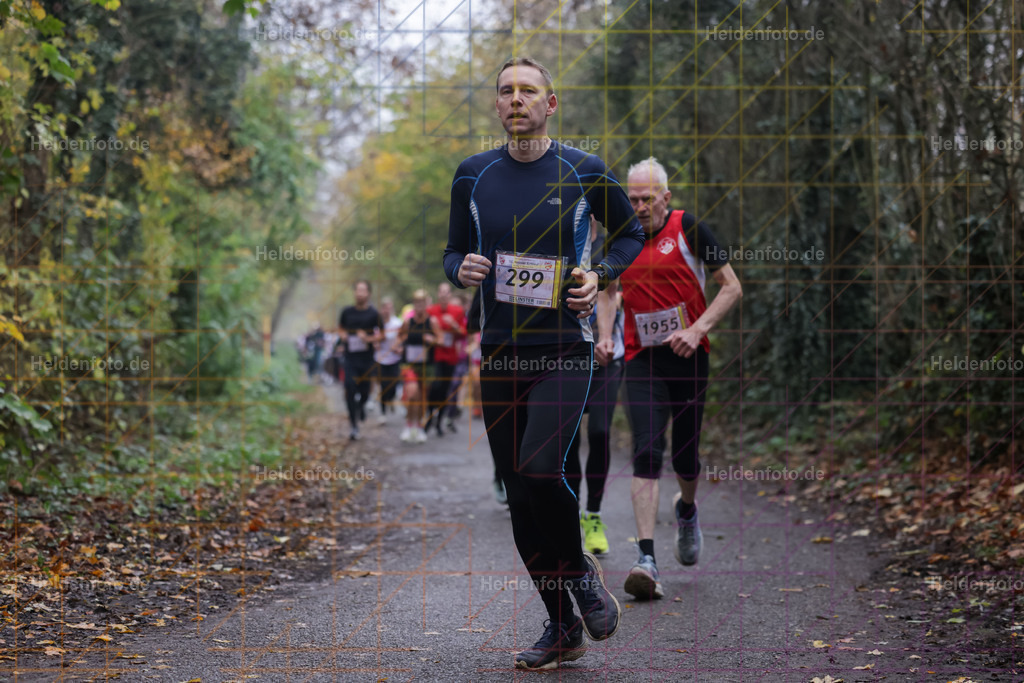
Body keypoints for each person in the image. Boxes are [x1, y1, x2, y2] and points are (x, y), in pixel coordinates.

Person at [443, 57, 645, 671]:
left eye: (528, 91)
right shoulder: (473, 175)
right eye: (506, 91)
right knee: (520, 497)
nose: (516, 100)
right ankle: (561, 627)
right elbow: (453, 250)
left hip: (565, 347)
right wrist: (462, 270)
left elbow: (630, 234)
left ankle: (582, 575)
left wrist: (599, 275)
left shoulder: (583, 170)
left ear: (550, 104)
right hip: (500, 354)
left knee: (538, 470)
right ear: (496, 104)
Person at [615, 157, 742, 601]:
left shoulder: (688, 228)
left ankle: (687, 510)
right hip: (641, 360)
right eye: (631, 199)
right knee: (647, 450)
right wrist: (602, 336)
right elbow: (609, 290)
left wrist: (696, 329)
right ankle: (645, 559)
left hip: (688, 356)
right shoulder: (620, 236)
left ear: (665, 198)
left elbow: (731, 286)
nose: (638, 206)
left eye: (647, 198)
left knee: (686, 458)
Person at [563, 216, 625, 556]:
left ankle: (594, 515)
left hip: (606, 355)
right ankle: (571, 518)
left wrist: (604, 339)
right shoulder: (558, 245)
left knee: (600, 432)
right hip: (568, 355)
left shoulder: (609, 249)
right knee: (569, 438)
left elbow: (609, 292)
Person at [338, 280, 383, 441]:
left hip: (367, 359)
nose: (360, 293)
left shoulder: (374, 314)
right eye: (357, 290)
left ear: (368, 293)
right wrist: (343, 335)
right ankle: (353, 425)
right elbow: (341, 327)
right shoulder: (347, 312)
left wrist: (368, 338)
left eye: (363, 290)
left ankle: (361, 406)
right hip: (350, 358)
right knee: (349, 388)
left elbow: (382, 334)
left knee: (364, 391)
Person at [395, 289, 439, 443]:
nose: (419, 306)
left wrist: (431, 339)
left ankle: (418, 427)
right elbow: (399, 336)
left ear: (426, 304)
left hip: (427, 365)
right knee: (412, 394)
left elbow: (441, 340)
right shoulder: (408, 322)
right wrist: (399, 345)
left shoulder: (432, 322)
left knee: (421, 399)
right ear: (414, 305)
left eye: (422, 303)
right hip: (410, 364)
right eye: (416, 303)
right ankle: (408, 425)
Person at [424, 283, 466, 436]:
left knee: (444, 390)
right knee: (434, 386)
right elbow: (423, 328)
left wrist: (454, 325)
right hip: (434, 356)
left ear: (449, 295)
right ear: (437, 294)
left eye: (446, 292)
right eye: (441, 292)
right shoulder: (431, 311)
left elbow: (463, 333)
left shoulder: (457, 311)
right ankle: (429, 416)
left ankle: (439, 422)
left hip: (450, 357)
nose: (443, 295)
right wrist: (429, 337)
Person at [375, 297, 403, 424]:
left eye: (389, 307)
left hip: (394, 359)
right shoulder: (377, 324)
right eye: (384, 307)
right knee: (383, 386)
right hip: (380, 359)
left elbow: (403, 339)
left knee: (393, 386)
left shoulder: (397, 323)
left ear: (392, 309)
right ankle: (382, 413)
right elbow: (373, 340)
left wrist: (399, 348)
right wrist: (375, 343)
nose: (386, 310)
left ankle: (391, 399)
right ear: (381, 309)